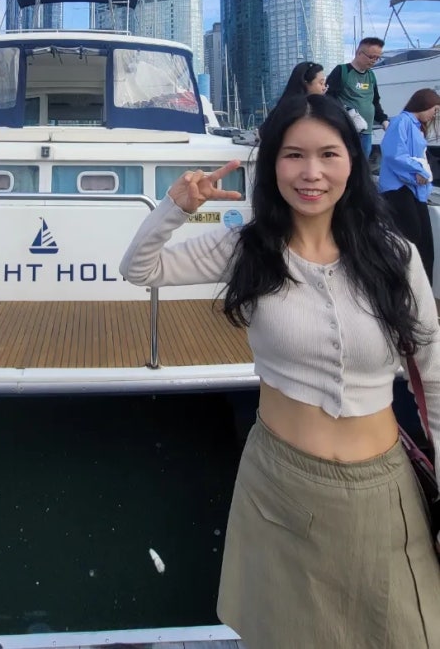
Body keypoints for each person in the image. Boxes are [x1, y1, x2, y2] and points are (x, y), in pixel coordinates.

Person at [119, 93, 440, 649]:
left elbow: (433, 376)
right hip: (280, 485)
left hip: (383, 491)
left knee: (403, 631)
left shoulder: (395, 256)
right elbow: (139, 269)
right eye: (293, 155)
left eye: (328, 155)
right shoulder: (246, 248)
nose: (311, 173)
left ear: (352, 161)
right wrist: (175, 206)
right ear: (272, 165)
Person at [379, 87, 440, 285]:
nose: (434, 115)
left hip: (414, 190)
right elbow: (393, 154)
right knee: (410, 239)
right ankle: (404, 286)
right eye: (434, 109)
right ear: (424, 104)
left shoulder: (416, 126)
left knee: (424, 242)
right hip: (399, 189)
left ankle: (421, 288)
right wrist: (418, 172)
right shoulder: (401, 121)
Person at [326, 37, 389, 157]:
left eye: (377, 58)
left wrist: (383, 120)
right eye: (371, 57)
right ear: (359, 53)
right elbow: (328, 99)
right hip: (347, 132)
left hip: (367, 132)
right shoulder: (342, 71)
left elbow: (375, 102)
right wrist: (347, 110)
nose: (374, 61)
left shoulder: (371, 75)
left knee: (363, 164)